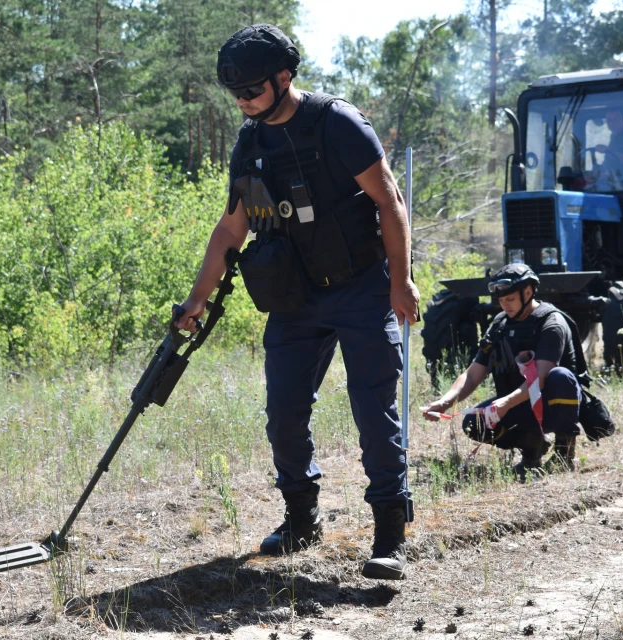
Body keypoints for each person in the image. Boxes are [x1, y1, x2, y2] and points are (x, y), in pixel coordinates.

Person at [175, 23, 420, 580]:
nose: (243, 102)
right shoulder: (249, 142)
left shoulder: (338, 123)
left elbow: (390, 200)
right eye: (235, 94)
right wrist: (195, 299)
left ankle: (388, 533)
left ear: (285, 78)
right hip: (294, 297)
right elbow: (232, 229)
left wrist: (400, 281)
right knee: (284, 414)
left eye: (252, 91)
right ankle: (301, 518)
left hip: (362, 287)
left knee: (374, 412)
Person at [420, 264, 586, 480]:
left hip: (551, 404)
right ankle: (533, 449)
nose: (504, 305)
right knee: (473, 424)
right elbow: (473, 374)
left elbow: (541, 378)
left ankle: (564, 455)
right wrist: (445, 402)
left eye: (510, 299)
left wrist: (506, 403)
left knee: (560, 377)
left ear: (528, 292)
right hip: (517, 402)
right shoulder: (499, 325)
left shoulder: (551, 322)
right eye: (501, 300)